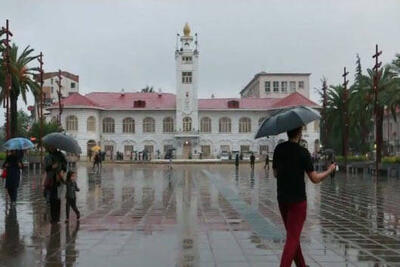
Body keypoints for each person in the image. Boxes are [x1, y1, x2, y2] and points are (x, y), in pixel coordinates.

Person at [273, 126, 336, 267]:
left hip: (282, 198)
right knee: (292, 238)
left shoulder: (278, 149)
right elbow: (314, 178)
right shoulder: (303, 152)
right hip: (298, 201)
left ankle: (302, 265)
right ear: (300, 133)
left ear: (288, 132)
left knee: (292, 236)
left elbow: (275, 174)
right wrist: (329, 170)